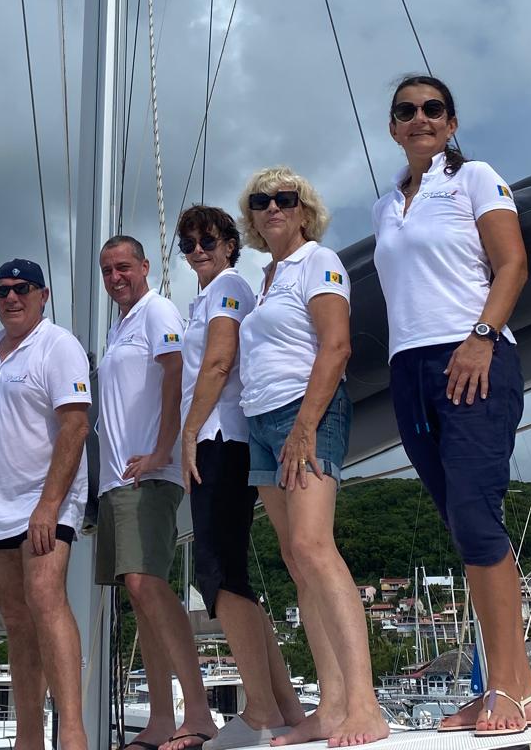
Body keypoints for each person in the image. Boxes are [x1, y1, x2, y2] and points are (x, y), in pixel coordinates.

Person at [372, 75, 531, 736]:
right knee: (460, 525)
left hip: (472, 356)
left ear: (451, 121)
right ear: (394, 127)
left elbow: (512, 264)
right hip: (408, 368)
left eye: (432, 108)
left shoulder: (474, 178)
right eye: (406, 111)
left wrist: (482, 336)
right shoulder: (386, 206)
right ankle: (507, 684)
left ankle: (515, 688)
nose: (420, 118)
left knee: (476, 513)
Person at [236, 169, 388, 748]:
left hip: (307, 412)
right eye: (261, 201)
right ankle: (330, 705)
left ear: (304, 210)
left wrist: (304, 429)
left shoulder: (318, 262)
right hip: (260, 420)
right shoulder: (267, 279)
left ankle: (364, 704)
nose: (272, 207)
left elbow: (337, 345)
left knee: (313, 548)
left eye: (285, 199)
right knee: (296, 561)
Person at [172, 205, 306, 750]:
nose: (197, 250)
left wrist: (188, 433)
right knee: (228, 573)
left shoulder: (228, 288)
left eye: (208, 240)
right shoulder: (207, 297)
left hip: (220, 438)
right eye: (188, 244)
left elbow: (220, 360)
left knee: (220, 573)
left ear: (230, 244)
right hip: (220, 439)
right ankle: (284, 706)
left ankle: (260, 708)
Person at [94, 236, 217, 750]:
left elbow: (176, 373)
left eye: (123, 266)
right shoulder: (119, 327)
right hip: (117, 480)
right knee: (139, 594)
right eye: (107, 270)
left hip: (147, 475)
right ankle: (163, 717)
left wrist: (163, 450)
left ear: (145, 266)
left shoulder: (156, 311)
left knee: (147, 584)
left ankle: (199, 712)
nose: (115, 277)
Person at [0, 258, 90, 750]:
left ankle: (73, 732)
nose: (12, 298)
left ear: (43, 295)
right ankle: (29, 737)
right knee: (15, 619)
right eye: (2, 291)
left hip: (45, 498)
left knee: (45, 600)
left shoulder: (58, 345)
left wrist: (49, 504)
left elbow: (75, 425)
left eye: (22, 289)